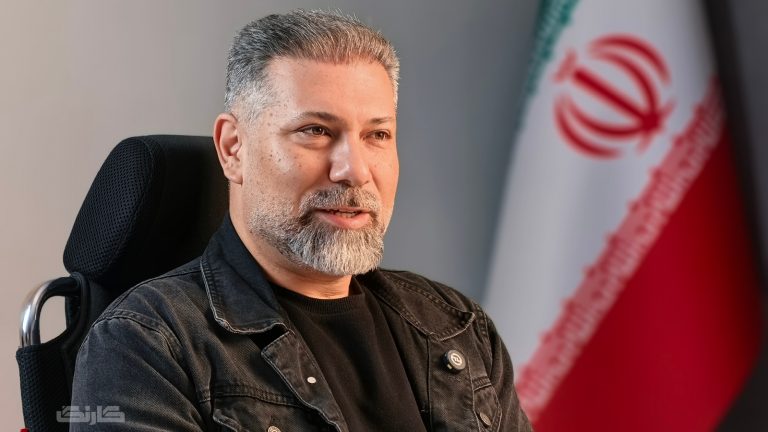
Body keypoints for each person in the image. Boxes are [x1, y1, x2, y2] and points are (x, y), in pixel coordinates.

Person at [71, 9, 532, 431]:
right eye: (315, 131)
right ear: (233, 148)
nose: (354, 170)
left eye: (377, 134)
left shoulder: (457, 326)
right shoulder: (146, 344)